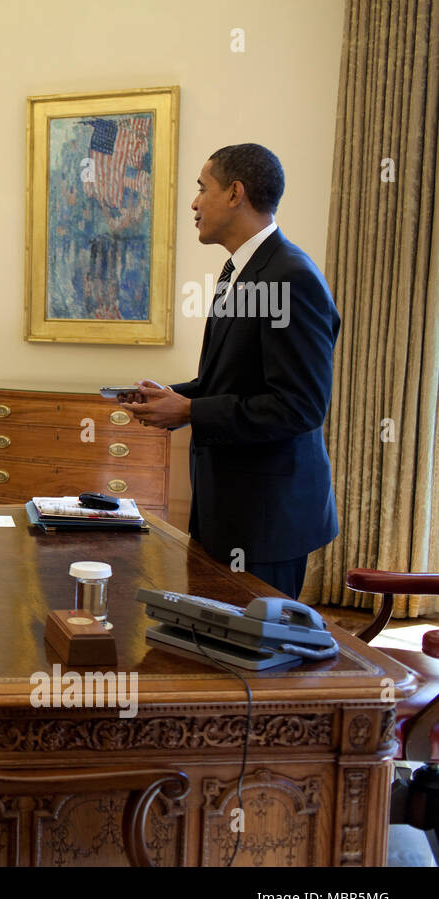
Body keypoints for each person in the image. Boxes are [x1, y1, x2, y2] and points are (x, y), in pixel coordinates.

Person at [119, 143, 340, 599]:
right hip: (225, 509)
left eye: (203, 188)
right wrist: (173, 398)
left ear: (236, 193)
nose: (194, 203)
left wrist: (191, 412)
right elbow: (231, 380)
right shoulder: (236, 270)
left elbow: (299, 407)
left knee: (252, 645)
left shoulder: (290, 278)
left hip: (266, 520)